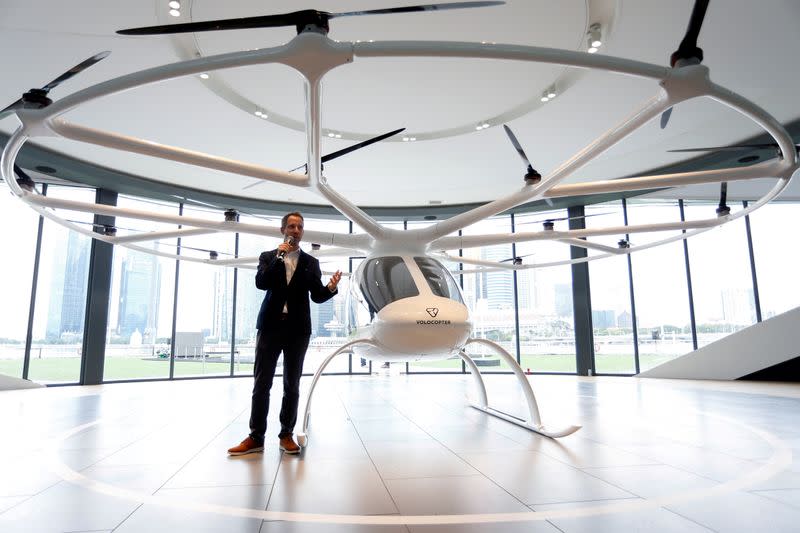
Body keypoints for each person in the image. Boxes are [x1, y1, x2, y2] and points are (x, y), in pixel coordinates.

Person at [228, 212, 342, 456]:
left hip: (298, 331)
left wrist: (331, 288)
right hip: (270, 327)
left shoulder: (311, 262)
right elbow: (261, 282)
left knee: (292, 385)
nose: (296, 230)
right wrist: (279, 257)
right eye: (291, 226)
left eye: (300, 226)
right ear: (283, 230)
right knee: (262, 384)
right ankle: (256, 437)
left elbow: (318, 296)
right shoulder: (268, 257)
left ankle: (286, 435)